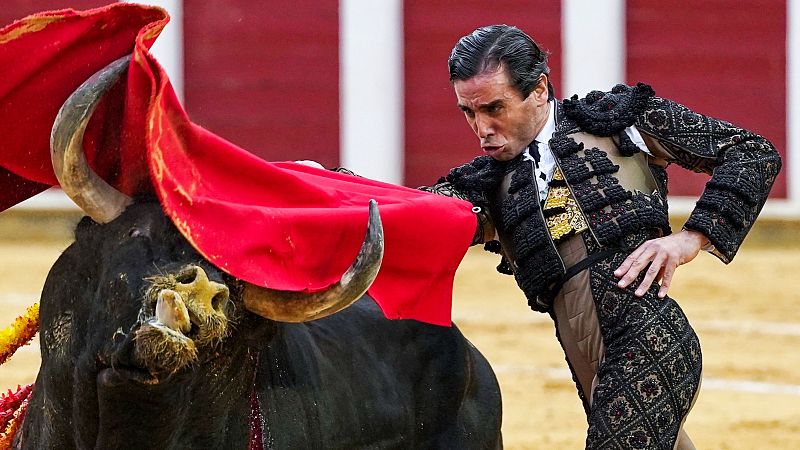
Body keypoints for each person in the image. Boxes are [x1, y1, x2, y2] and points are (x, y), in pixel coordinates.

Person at [422, 24, 782, 449]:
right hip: (591, 368)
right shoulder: (486, 185)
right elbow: (408, 211)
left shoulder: (618, 121)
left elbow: (751, 152)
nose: (482, 128)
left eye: (494, 108)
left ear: (538, 89)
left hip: (651, 342)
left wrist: (691, 238)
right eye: (469, 112)